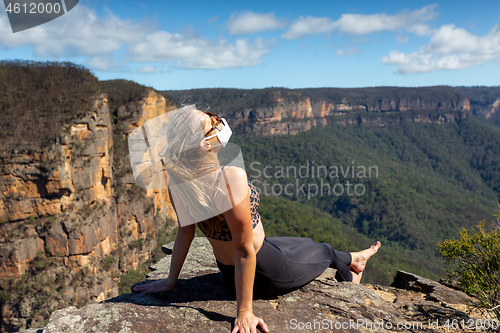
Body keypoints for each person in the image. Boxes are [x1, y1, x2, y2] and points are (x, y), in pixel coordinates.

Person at [131, 107, 381, 333]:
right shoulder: (229, 178)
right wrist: (244, 313)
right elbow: (243, 248)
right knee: (324, 250)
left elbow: (185, 233)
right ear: (204, 145)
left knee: (302, 240)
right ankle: (352, 278)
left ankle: (354, 257)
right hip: (265, 271)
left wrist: (170, 282)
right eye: (213, 124)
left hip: (229, 272)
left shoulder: (178, 180)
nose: (220, 124)